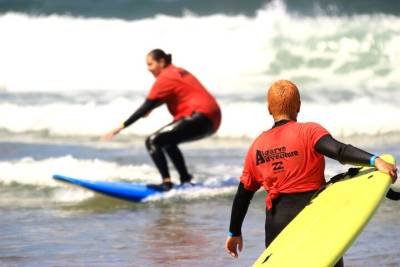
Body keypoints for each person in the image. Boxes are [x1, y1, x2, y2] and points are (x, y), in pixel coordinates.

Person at [224, 80, 397, 266]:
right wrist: (375, 161)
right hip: (314, 217)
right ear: (298, 106)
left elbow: (243, 195)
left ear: (269, 109)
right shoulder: (308, 131)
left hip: (277, 224)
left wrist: (234, 232)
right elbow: (339, 151)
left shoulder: (256, 147)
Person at [101, 49, 221, 190]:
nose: (148, 69)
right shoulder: (177, 71)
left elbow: (145, 106)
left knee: (153, 141)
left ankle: (166, 183)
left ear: (161, 62)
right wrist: (151, 107)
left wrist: (121, 127)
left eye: (150, 64)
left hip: (199, 115)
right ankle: (185, 179)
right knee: (167, 141)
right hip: (212, 118)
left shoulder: (165, 77)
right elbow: (174, 94)